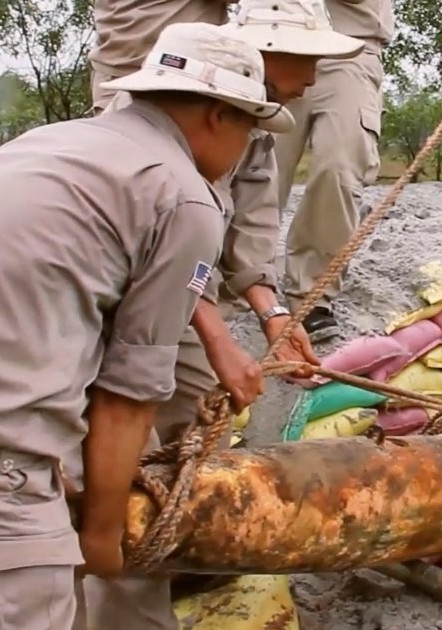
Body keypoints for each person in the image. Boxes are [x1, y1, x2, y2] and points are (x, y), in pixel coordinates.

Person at [0, 23, 292, 630]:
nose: (247, 146)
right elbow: (130, 392)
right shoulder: (184, 198)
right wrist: (103, 536)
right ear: (215, 116)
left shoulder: (57, 143)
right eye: (249, 128)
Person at [76, 2, 366, 628]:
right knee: (125, 438)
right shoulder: (160, 130)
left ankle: (167, 549)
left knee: (187, 419)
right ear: (263, 53)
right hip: (123, 297)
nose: (314, 79)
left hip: (179, 286)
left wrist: (275, 319)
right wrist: (216, 337)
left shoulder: (257, 129)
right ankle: (110, 555)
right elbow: (170, 250)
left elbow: (244, 245)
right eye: (308, 60)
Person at [274, 0, 395, 342]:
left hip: (350, 46)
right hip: (274, 35)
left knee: (339, 168)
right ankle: (239, 282)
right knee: (258, 169)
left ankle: (311, 296)